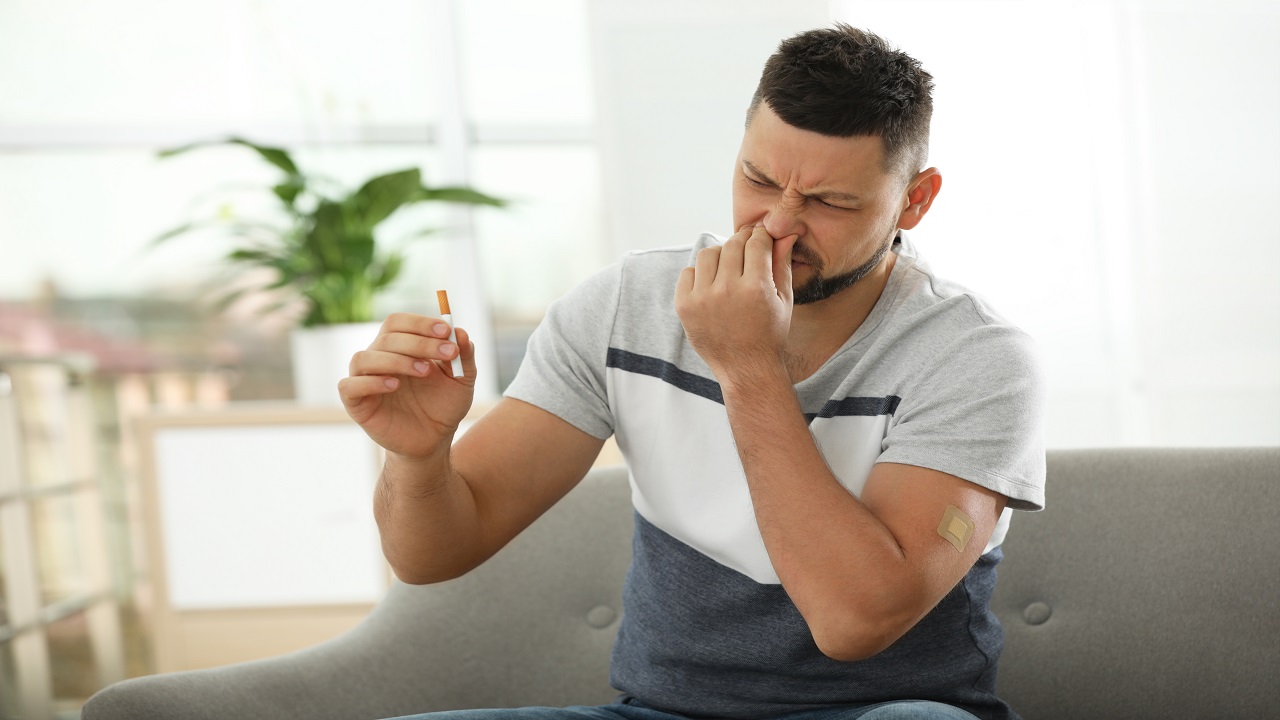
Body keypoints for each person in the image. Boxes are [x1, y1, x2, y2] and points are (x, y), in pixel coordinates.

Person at [340, 23, 1045, 720]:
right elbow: (432, 557)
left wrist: (747, 368)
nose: (778, 223)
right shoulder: (627, 309)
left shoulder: (977, 359)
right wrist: (419, 456)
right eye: (758, 179)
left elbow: (853, 623)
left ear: (915, 200)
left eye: (830, 202)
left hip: (884, 711)